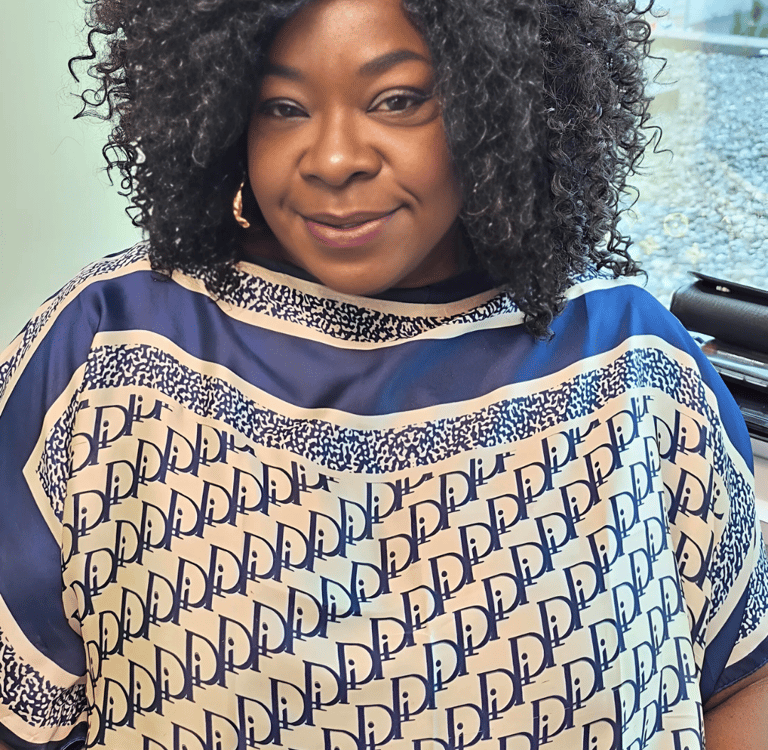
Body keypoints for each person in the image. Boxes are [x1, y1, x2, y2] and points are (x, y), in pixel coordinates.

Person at [1, 0, 766, 747]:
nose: (335, 159)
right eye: (283, 107)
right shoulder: (106, 350)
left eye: (398, 100)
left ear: (502, 98)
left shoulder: (632, 363)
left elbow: (741, 681)